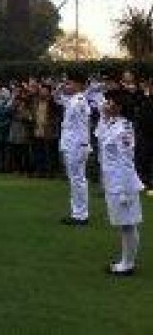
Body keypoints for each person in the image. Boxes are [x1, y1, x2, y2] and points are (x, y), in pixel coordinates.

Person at [95, 90, 144, 276]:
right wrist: (102, 115)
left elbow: (126, 160)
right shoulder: (111, 124)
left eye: (109, 102)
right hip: (113, 181)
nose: (105, 104)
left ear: (119, 107)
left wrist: (124, 190)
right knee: (124, 224)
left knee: (128, 224)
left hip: (123, 183)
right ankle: (126, 261)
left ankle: (127, 264)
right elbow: (99, 135)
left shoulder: (124, 128)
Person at [55, 72, 93, 226]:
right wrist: (60, 87)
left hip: (77, 145)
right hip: (71, 144)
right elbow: (57, 98)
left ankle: (81, 215)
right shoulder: (72, 100)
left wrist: (84, 144)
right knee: (75, 180)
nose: (67, 86)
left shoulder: (79, 101)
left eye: (70, 83)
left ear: (78, 85)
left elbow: (85, 124)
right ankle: (77, 212)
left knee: (78, 180)